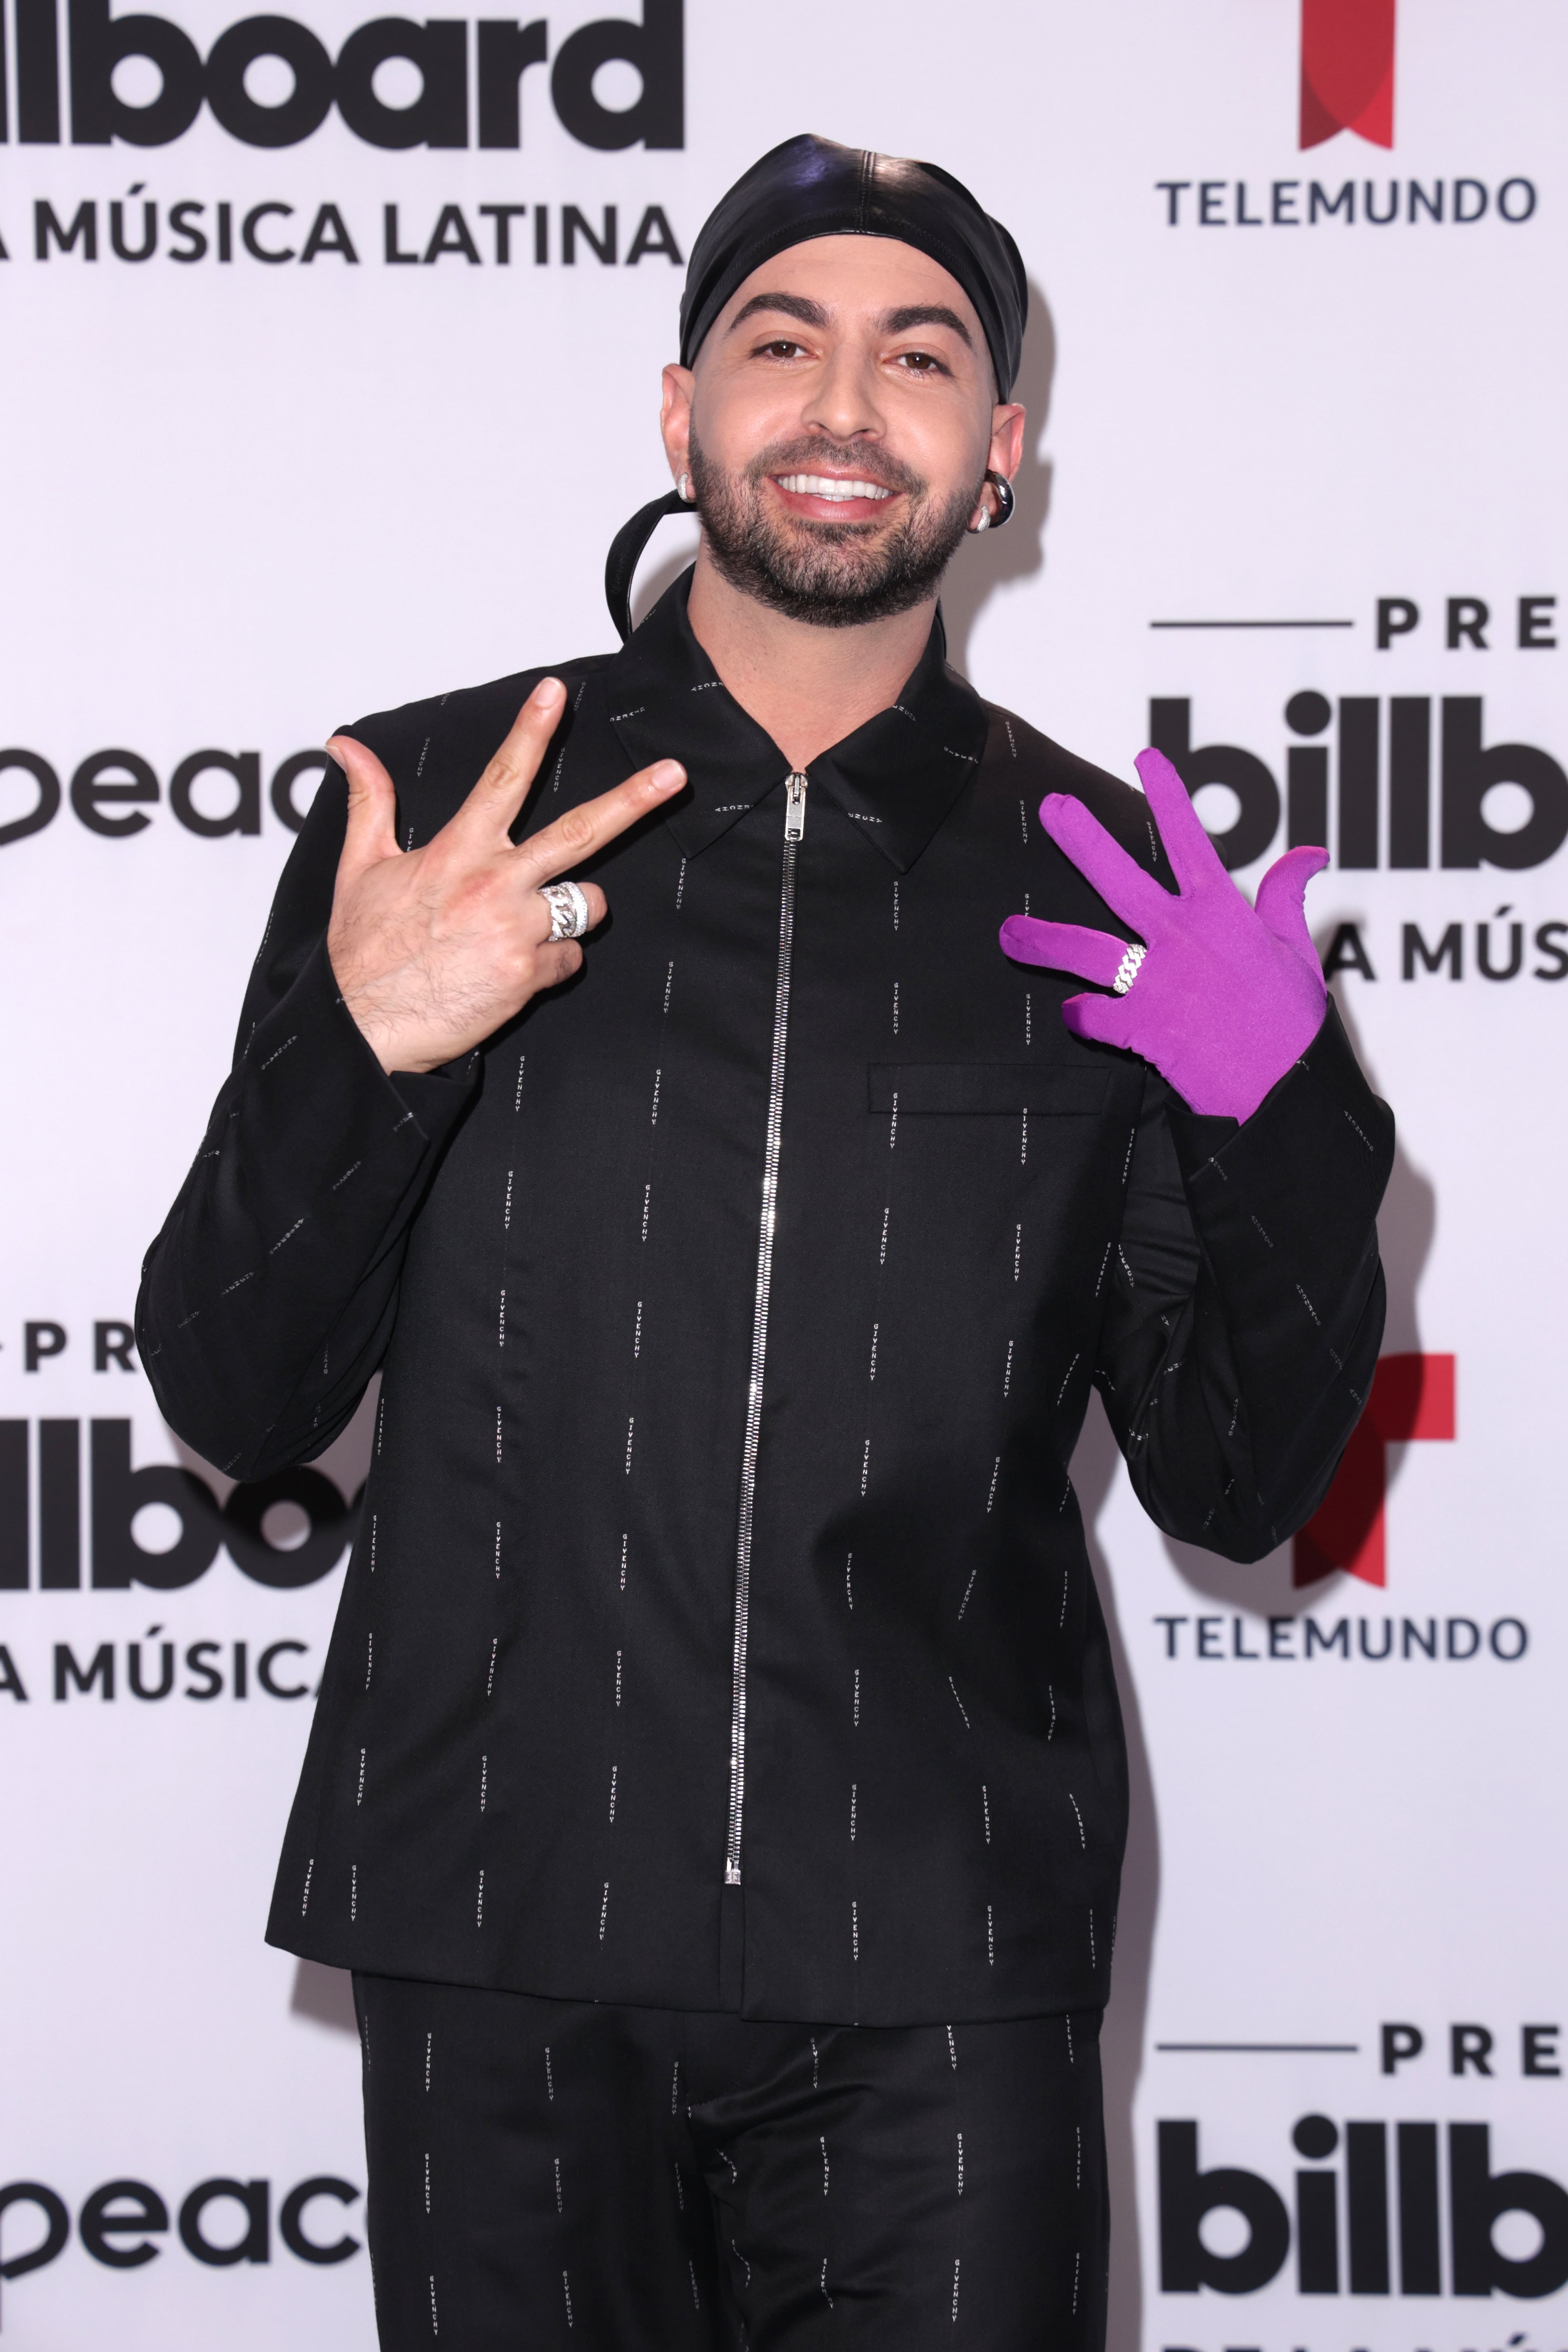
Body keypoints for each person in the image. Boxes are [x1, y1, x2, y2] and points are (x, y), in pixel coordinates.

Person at [138, 134, 1392, 2350]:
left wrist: (1292, 1113)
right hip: (506, 1910)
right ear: (680, 411)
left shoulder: (1114, 886)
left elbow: (1240, 1483)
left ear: (999, 453)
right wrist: (378, 1048)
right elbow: (239, 1390)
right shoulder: (444, 811)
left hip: (942, 1951)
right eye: (778, 341)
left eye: (920, 358)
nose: (843, 406)